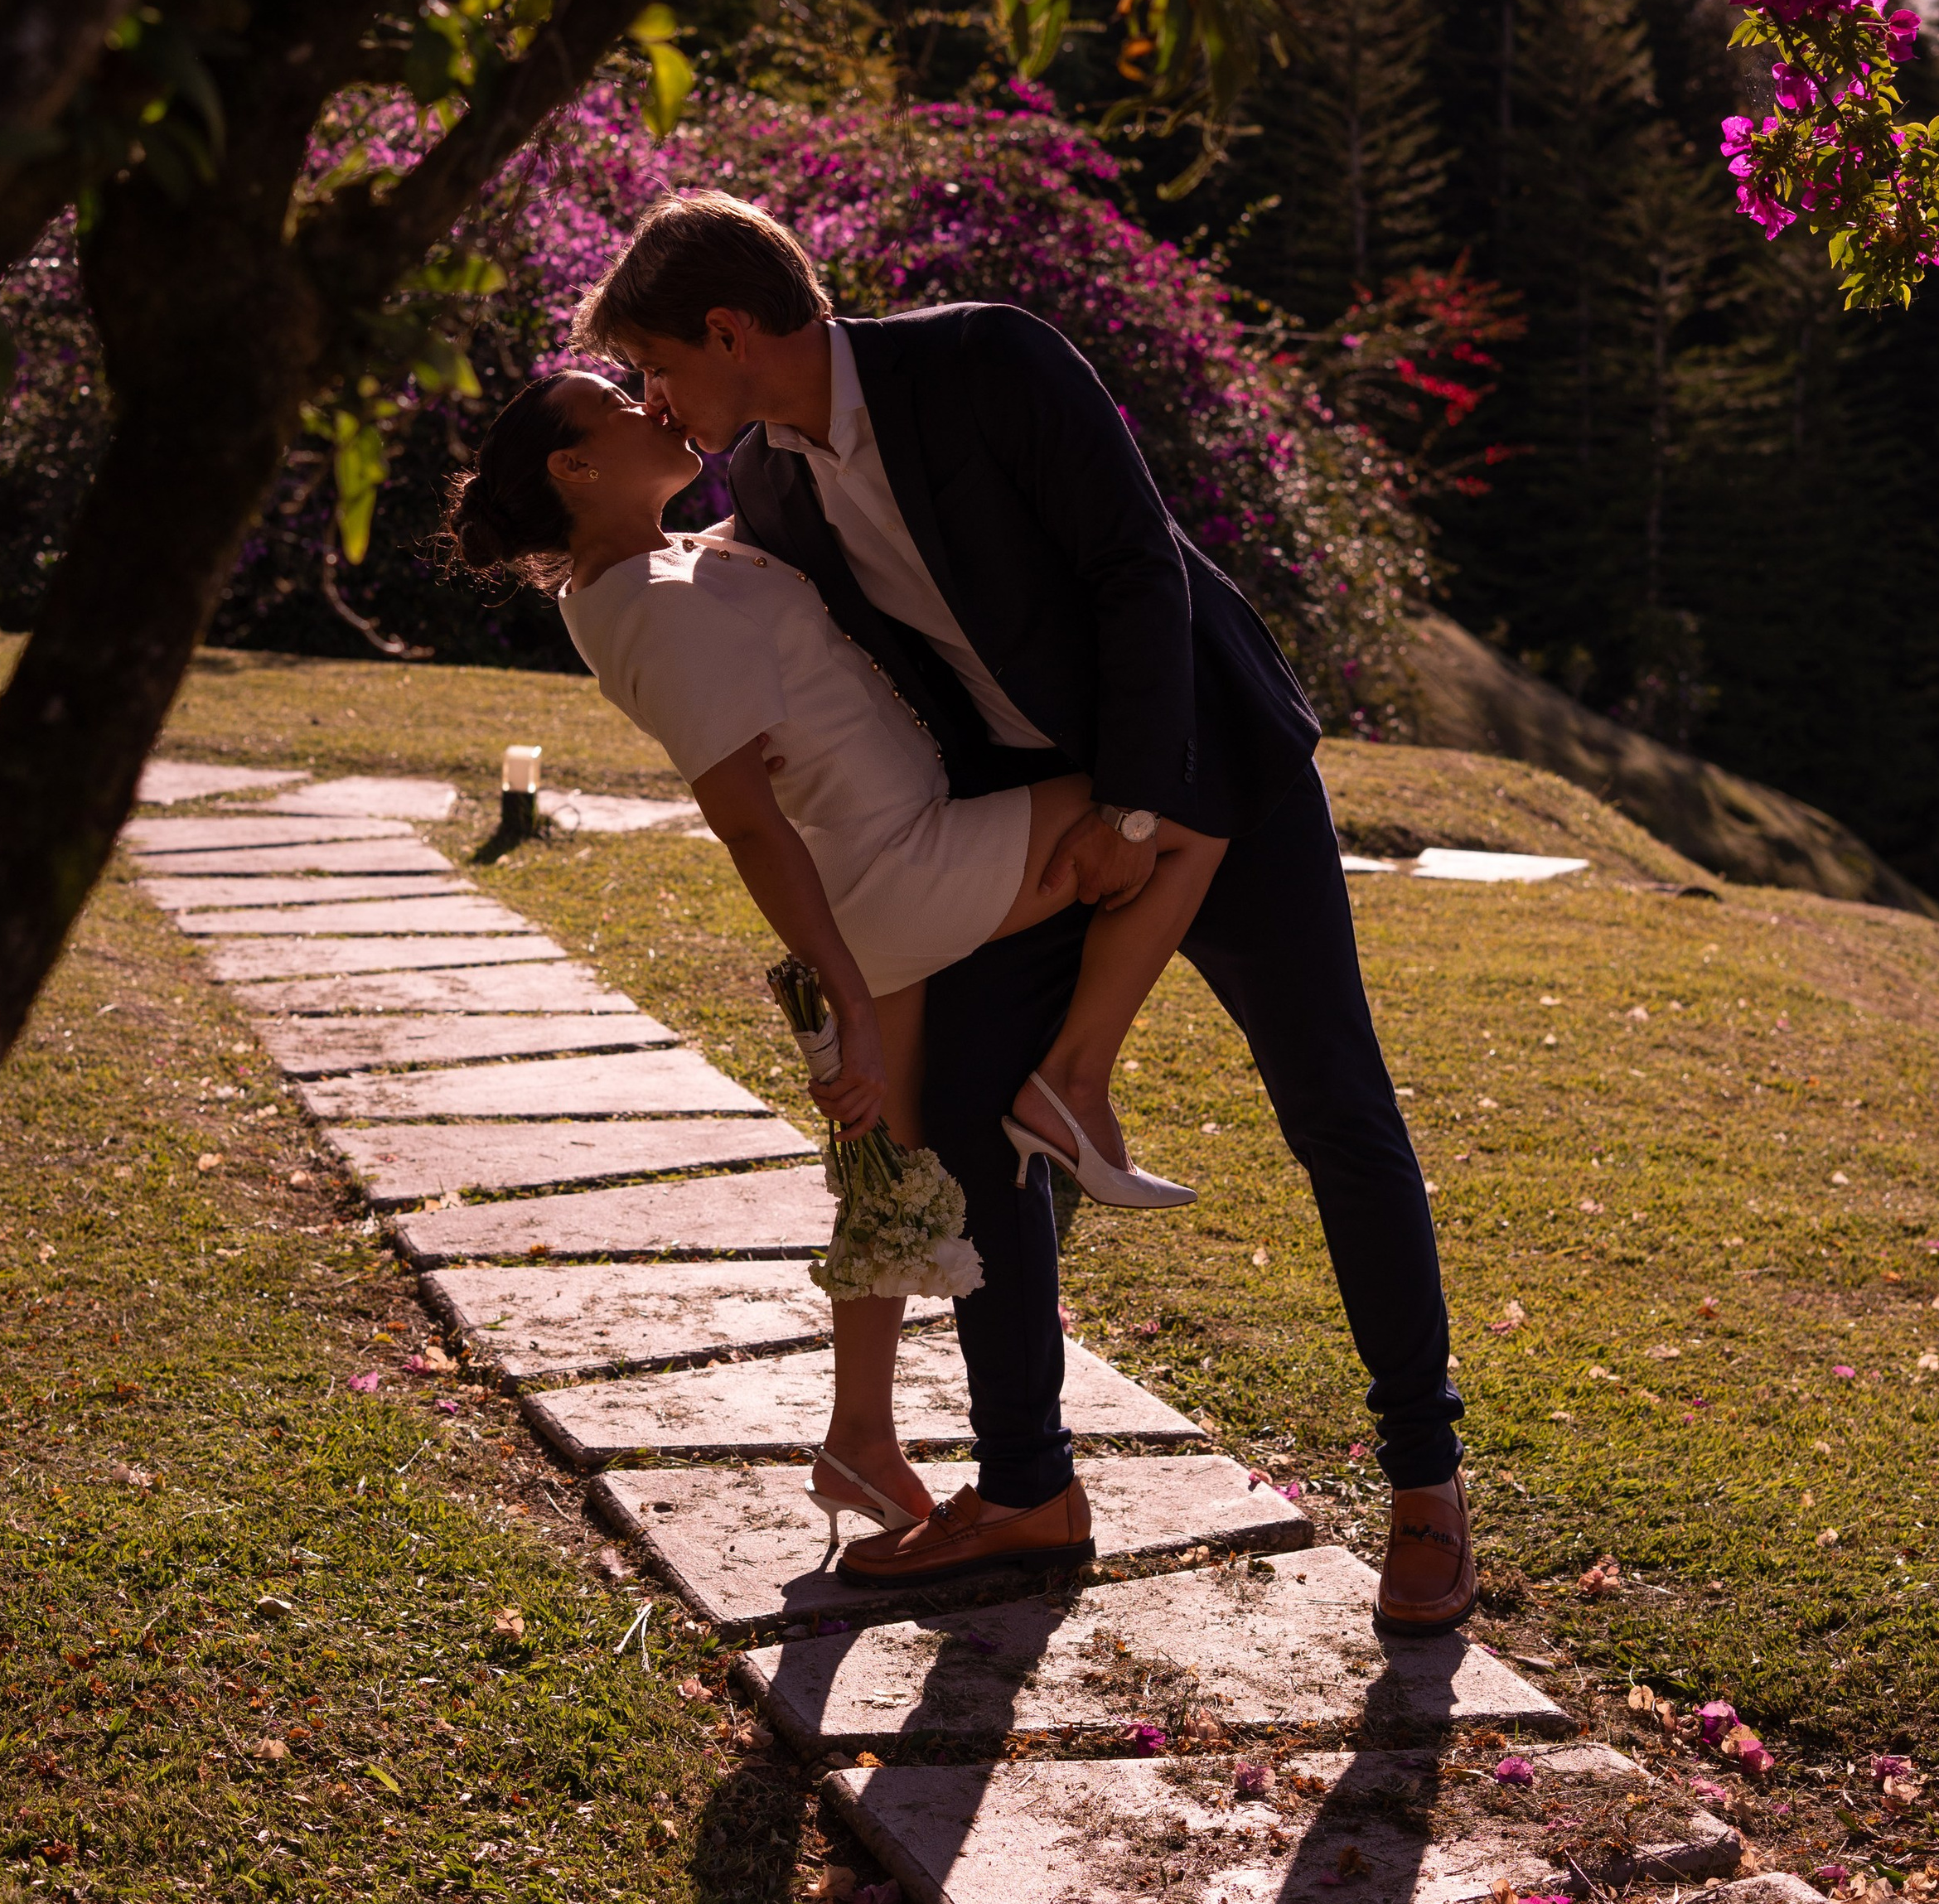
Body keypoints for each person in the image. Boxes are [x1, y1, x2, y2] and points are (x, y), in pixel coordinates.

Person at [571, 190, 1476, 1628]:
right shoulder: (779, 500)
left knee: (1335, 1109)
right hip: (1036, 831)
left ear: (730, 332)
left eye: (660, 370)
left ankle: (1425, 1485)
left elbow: (1137, 569)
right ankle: (1030, 1489)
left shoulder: (990, 357)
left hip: (1208, 773)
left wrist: (1131, 804)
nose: (658, 403)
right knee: (983, 1112)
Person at [442, 369, 1226, 1560]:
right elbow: (746, 820)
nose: (654, 401)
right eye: (619, 398)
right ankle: (1074, 1078)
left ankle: (859, 1434)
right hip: (895, 866)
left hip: (882, 867)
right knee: (1187, 795)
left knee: (889, 1162)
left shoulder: (661, 567)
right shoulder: (642, 603)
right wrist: (849, 999)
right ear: (574, 466)